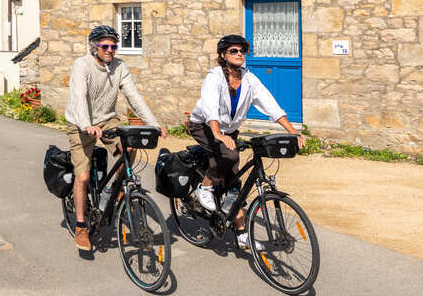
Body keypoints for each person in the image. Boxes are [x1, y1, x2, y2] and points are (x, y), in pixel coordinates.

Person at [187, 34, 305, 251]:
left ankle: (241, 234)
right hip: (204, 126)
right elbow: (210, 107)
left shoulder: (249, 79)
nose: (239, 54)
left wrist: (293, 132)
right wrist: (218, 134)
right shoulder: (214, 77)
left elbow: (270, 104)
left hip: (228, 131)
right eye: (234, 51)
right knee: (227, 154)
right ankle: (205, 187)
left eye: (242, 51)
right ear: (223, 55)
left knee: (234, 184)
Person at [65, 24, 165, 252]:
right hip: (80, 123)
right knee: (82, 176)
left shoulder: (119, 67)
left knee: (131, 147)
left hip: (107, 119)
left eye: (113, 46)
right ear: (94, 47)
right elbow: (79, 96)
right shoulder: (82, 65)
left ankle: (115, 188)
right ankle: (81, 226)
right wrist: (86, 124)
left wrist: (153, 123)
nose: (110, 50)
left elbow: (133, 96)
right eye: (105, 46)